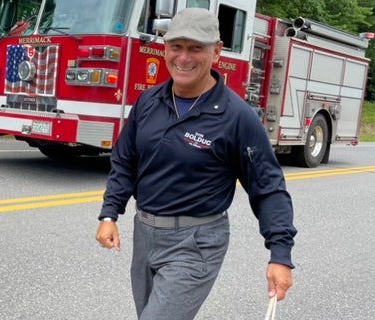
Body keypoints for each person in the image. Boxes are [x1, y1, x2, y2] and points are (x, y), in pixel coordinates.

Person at [95, 8, 297, 320]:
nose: (184, 58)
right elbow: (125, 161)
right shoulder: (149, 102)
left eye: (196, 48)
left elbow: (268, 187)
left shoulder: (236, 117)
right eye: (176, 47)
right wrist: (110, 213)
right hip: (145, 233)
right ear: (165, 48)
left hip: (196, 242)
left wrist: (280, 254)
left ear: (217, 51)